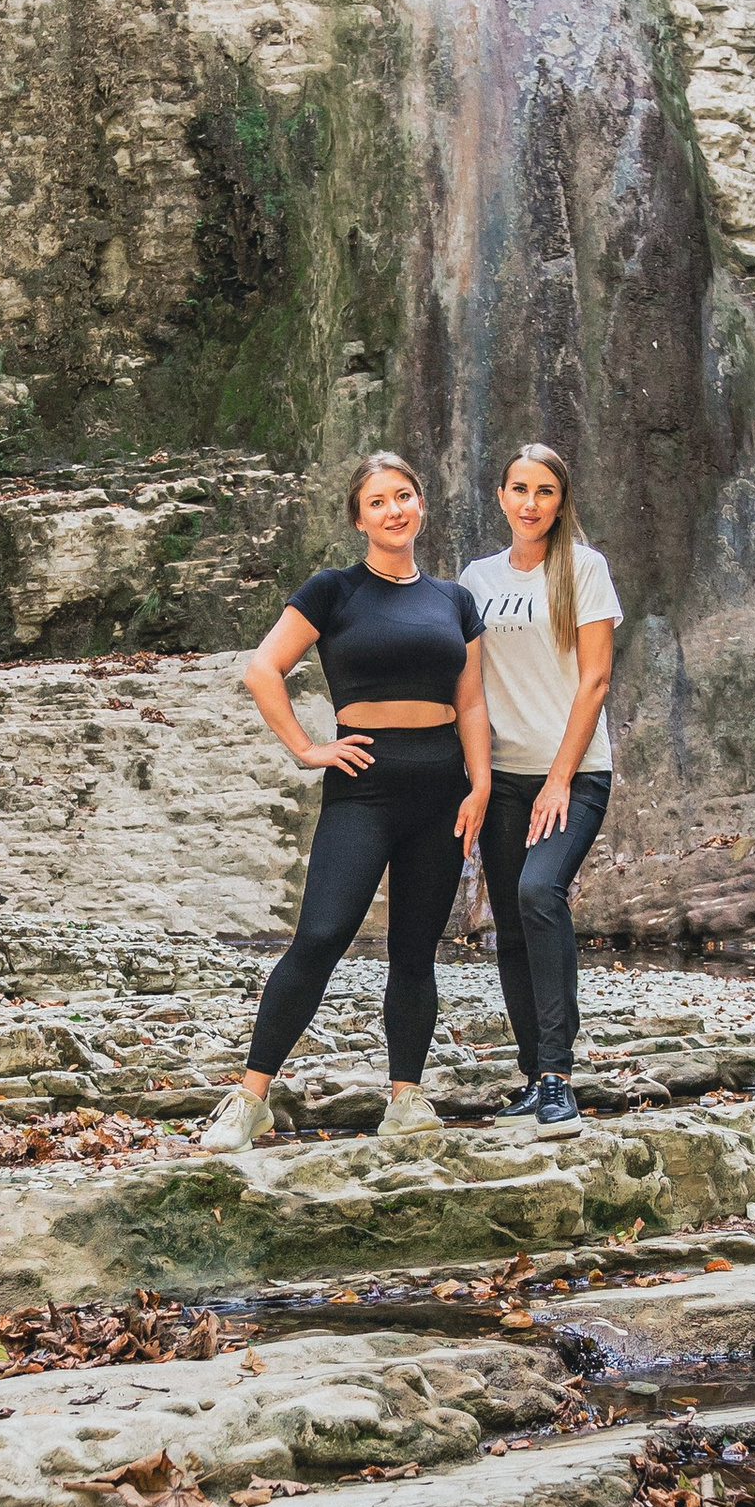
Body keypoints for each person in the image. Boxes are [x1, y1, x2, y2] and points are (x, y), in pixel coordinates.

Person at [200, 451, 491, 1149]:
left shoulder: (453, 600)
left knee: (416, 949)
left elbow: (472, 700)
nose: (395, 510)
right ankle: (249, 1098)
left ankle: (406, 1098)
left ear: (421, 504)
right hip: (364, 785)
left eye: (405, 496)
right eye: (379, 501)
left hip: (443, 786)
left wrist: (480, 783)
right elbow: (262, 668)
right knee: (322, 936)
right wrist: (307, 748)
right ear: (360, 518)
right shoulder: (334, 590)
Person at [459, 442, 619, 1128]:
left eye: (545, 491)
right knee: (514, 925)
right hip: (501, 777)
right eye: (519, 489)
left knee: (537, 892)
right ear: (501, 496)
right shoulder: (475, 579)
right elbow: (465, 685)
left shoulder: (583, 569)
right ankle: (533, 1076)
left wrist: (559, 779)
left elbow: (596, 680)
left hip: (573, 775)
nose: (531, 503)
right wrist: (474, 778)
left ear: (561, 500)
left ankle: (558, 1075)